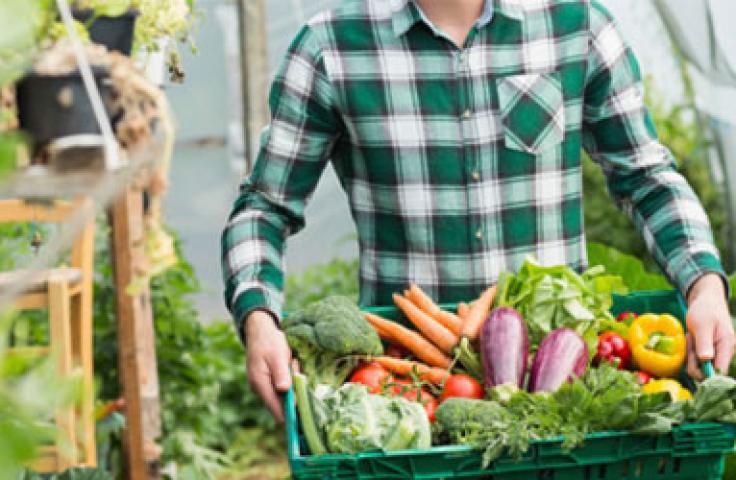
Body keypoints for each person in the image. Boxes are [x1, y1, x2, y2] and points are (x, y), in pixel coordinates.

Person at [221, 0, 735, 421]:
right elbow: (264, 207)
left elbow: (646, 177)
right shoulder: (331, 47)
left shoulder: (577, 27)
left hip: (562, 387)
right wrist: (260, 317)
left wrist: (704, 284)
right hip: (413, 390)